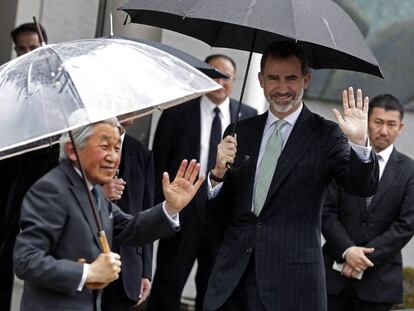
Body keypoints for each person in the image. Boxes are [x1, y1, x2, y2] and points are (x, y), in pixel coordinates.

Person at [203, 41, 379, 311]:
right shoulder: (240, 131)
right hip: (233, 279)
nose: (282, 88)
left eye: (291, 78)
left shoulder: (326, 135)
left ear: (306, 80)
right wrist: (216, 176)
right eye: (273, 78)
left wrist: (358, 143)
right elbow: (217, 212)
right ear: (261, 80)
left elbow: (361, 186)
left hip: (292, 284)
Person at [13, 118, 205, 311]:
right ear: (72, 150)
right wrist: (88, 273)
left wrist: (170, 208)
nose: (113, 157)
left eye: (116, 148)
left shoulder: (93, 191)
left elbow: (128, 228)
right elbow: (26, 259)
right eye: (104, 147)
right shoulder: (52, 189)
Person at [147, 54, 257, 311]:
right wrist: (158, 215)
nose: (220, 80)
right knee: (167, 289)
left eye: (226, 76)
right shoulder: (177, 112)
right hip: (181, 218)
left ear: (235, 79)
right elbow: (159, 163)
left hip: (222, 222)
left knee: (213, 294)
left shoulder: (248, 117)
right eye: (213, 73)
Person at [322, 94, 414, 311]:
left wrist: (360, 258)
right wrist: (347, 250)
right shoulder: (342, 158)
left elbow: (406, 224)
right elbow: (326, 211)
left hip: (379, 282)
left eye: (391, 124)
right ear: (367, 121)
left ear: (400, 127)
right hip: (333, 277)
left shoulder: (409, 170)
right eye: (378, 122)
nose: (383, 130)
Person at [0, 22, 57, 311]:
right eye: (21, 49)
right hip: (7, 183)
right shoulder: (6, 87)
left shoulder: (58, 87)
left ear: (44, 48)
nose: (26, 54)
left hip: (45, 187)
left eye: (33, 48)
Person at [101, 119, 155, 310]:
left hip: (128, 267)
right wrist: (101, 193)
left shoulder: (142, 153)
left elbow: (146, 213)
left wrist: (146, 271)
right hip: (91, 261)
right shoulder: (85, 144)